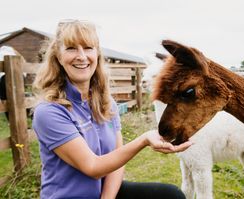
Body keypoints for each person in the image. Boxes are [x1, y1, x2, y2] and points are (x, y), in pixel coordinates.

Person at [32, 20, 192, 199]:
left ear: (97, 54)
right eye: (71, 48)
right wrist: (143, 140)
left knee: (170, 196)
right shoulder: (49, 111)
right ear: (58, 57)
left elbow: (117, 160)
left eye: (88, 48)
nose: (82, 56)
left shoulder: (106, 104)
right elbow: (93, 167)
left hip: (103, 194)